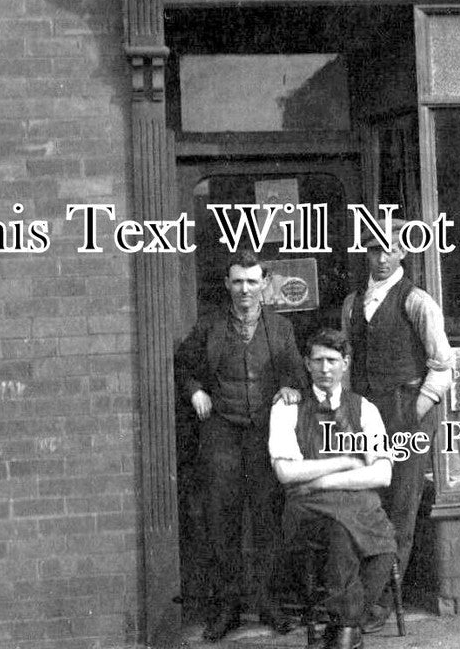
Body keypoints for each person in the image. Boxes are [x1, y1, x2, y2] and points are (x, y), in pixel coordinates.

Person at [174, 250, 308, 642]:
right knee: (221, 519)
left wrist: (289, 387)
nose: (245, 289)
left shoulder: (281, 329)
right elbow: (183, 365)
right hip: (222, 432)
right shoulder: (211, 326)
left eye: (252, 281)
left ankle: (267, 601)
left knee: (267, 517)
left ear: (264, 284)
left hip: (264, 435)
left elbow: (296, 376)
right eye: (238, 282)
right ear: (228, 285)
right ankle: (229, 605)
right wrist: (196, 390)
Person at [342, 219, 454, 633]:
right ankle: (358, 597)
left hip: (407, 409)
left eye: (391, 249)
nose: (383, 257)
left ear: (404, 253)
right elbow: (347, 362)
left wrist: (414, 412)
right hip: (364, 413)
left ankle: (381, 604)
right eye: (374, 249)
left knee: (400, 510)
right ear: (366, 254)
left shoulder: (417, 300)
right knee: (365, 504)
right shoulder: (353, 303)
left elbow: (442, 365)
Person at [268, 329, 397, 649]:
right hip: (306, 506)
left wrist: (323, 480)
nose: (325, 368)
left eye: (333, 360)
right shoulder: (287, 407)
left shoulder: (364, 408)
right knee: (342, 531)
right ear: (307, 364)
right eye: (318, 360)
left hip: (348, 498)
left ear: (346, 364)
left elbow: (382, 473)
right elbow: (286, 472)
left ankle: (344, 624)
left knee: (383, 544)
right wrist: (345, 462)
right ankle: (348, 628)